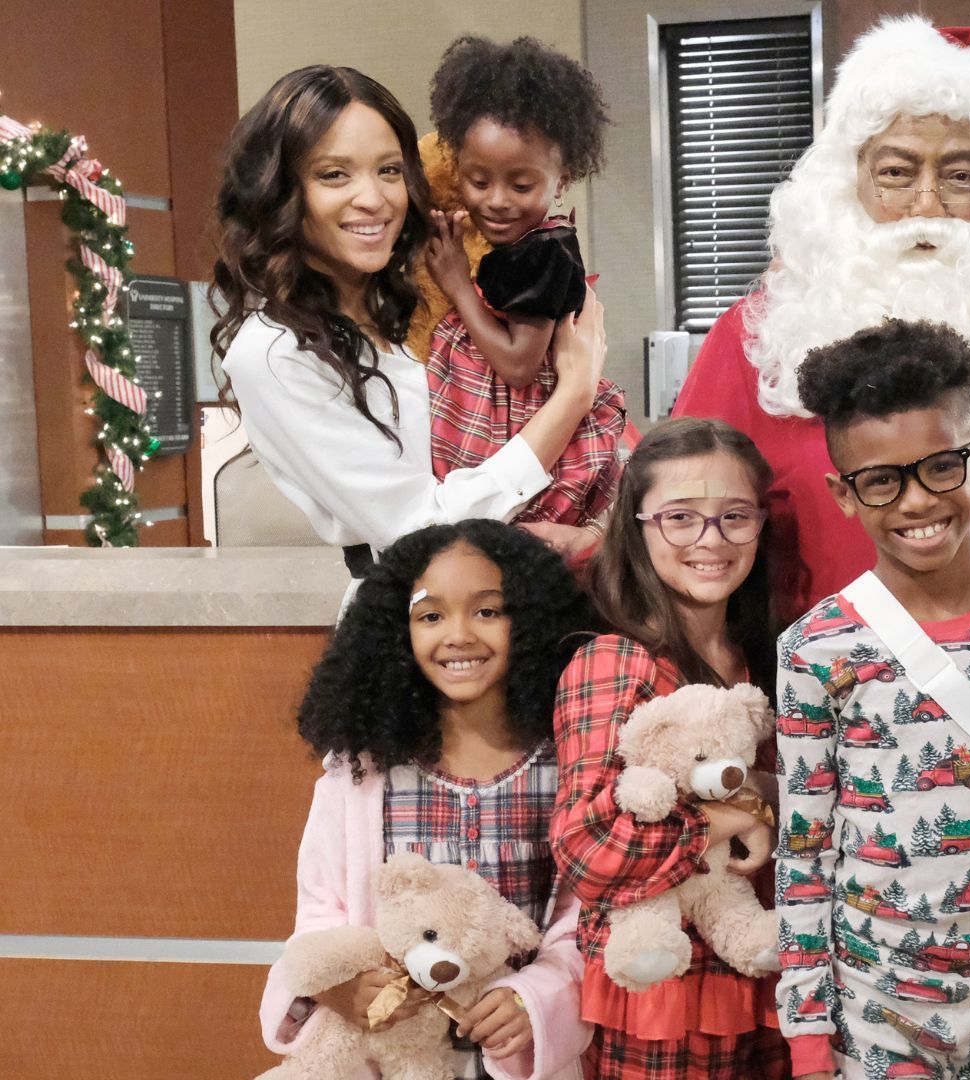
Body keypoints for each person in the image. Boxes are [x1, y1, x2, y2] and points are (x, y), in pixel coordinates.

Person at [672, 15, 970, 621]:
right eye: (896, 173)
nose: (927, 205)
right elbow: (675, 522)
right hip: (831, 691)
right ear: (849, 181)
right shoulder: (763, 337)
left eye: (960, 177)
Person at [772, 320, 970, 1080]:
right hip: (869, 1025)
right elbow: (807, 856)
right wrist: (809, 1041)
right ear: (844, 494)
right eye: (882, 479)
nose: (917, 501)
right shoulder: (813, 649)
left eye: (941, 467)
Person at [212, 65, 609, 573]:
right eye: (334, 174)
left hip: (538, 588)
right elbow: (418, 531)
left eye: (390, 170)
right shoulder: (274, 352)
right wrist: (573, 396)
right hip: (415, 617)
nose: (373, 198)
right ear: (281, 191)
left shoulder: (417, 305)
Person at [259, 519, 594, 1079]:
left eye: (488, 611)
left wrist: (534, 998)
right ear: (397, 631)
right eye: (430, 615)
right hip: (390, 1057)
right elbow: (320, 912)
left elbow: (579, 924)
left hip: (514, 1059)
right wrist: (339, 987)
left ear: (532, 620)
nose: (459, 634)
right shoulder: (359, 774)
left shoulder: (568, 765)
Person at [547, 417, 789, 1079]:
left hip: (761, 972)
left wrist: (767, 801)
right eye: (681, 517)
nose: (711, 540)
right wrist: (747, 812)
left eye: (734, 516)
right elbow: (588, 849)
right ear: (639, 526)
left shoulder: (764, 659)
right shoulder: (617, 663)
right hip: (663, 995)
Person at [420, 35, 626, 552]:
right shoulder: (519, 244)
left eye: (521, 185)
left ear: (563, 179)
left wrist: (456, 285)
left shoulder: (548, 250)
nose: (496, 201)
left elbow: (518, 365)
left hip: (516, 415)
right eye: (477, 179)